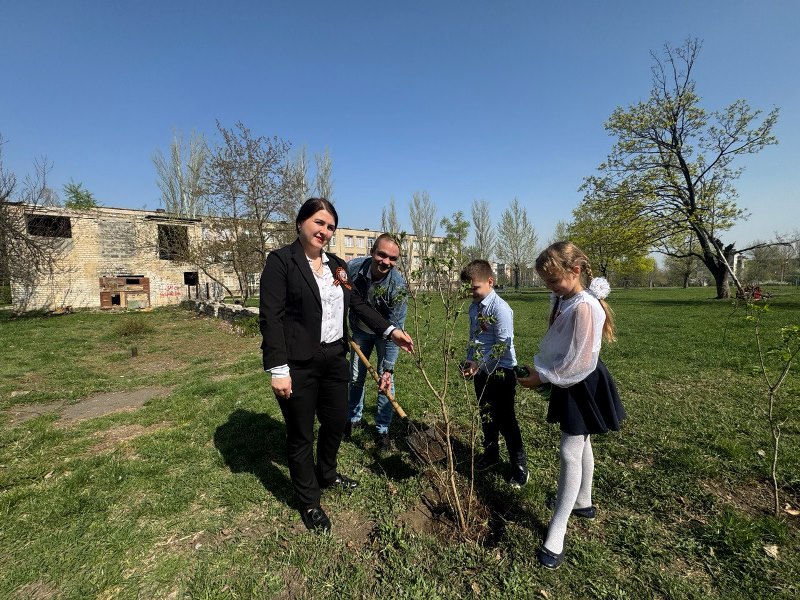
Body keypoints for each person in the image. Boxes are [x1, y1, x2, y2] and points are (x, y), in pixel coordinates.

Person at [259, 198, 414, 533]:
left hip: (334, 358)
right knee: (301, 435)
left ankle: (327, 474)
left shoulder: (336, 265)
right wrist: (278, 368)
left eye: (330, 226)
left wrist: (390, 330)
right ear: (301, 223)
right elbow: (270, 317)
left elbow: (357, 302)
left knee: (334, 422)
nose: (324, 231)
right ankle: (309, 501)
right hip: (298, 364)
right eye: (318, 223)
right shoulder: (281, 262)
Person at [517, 241, 626, 570]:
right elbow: (562, 343)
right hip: (568, 375)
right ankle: (583, 501)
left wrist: (544, 377)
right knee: (582, 441)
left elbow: (580, 360)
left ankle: (558, 528)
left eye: (553, 280)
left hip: (581, 380)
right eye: (546, 282)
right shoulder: (563, 297)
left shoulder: (585, 306)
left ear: (575, 271)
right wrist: (546, 371)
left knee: (569, 449)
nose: (549, 287)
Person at [460, 260, 529, 488]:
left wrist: (478, 365)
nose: (471, 292)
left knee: (506, 419)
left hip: (501, 373)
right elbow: (475, 339)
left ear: (490, 282)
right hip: (481, 371)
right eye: (468, 288)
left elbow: (502, 346)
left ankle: (519, 467)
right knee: (486, 415)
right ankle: (491, 454)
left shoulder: (500, 309)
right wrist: (471, 360)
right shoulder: (474, 306)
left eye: (475, 287)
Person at [346, 233, 408, 450]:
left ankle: (382, 430)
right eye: (382, 255)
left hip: (386, 336)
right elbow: (338, 297)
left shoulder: (398, 286)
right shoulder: (352, 269)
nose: (386, 262)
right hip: (360, 332)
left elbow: (396, 328)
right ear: (372, 252)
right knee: (355, 377)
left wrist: (388, 369)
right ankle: (353, 418)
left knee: (385, 382)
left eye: (392, 258)